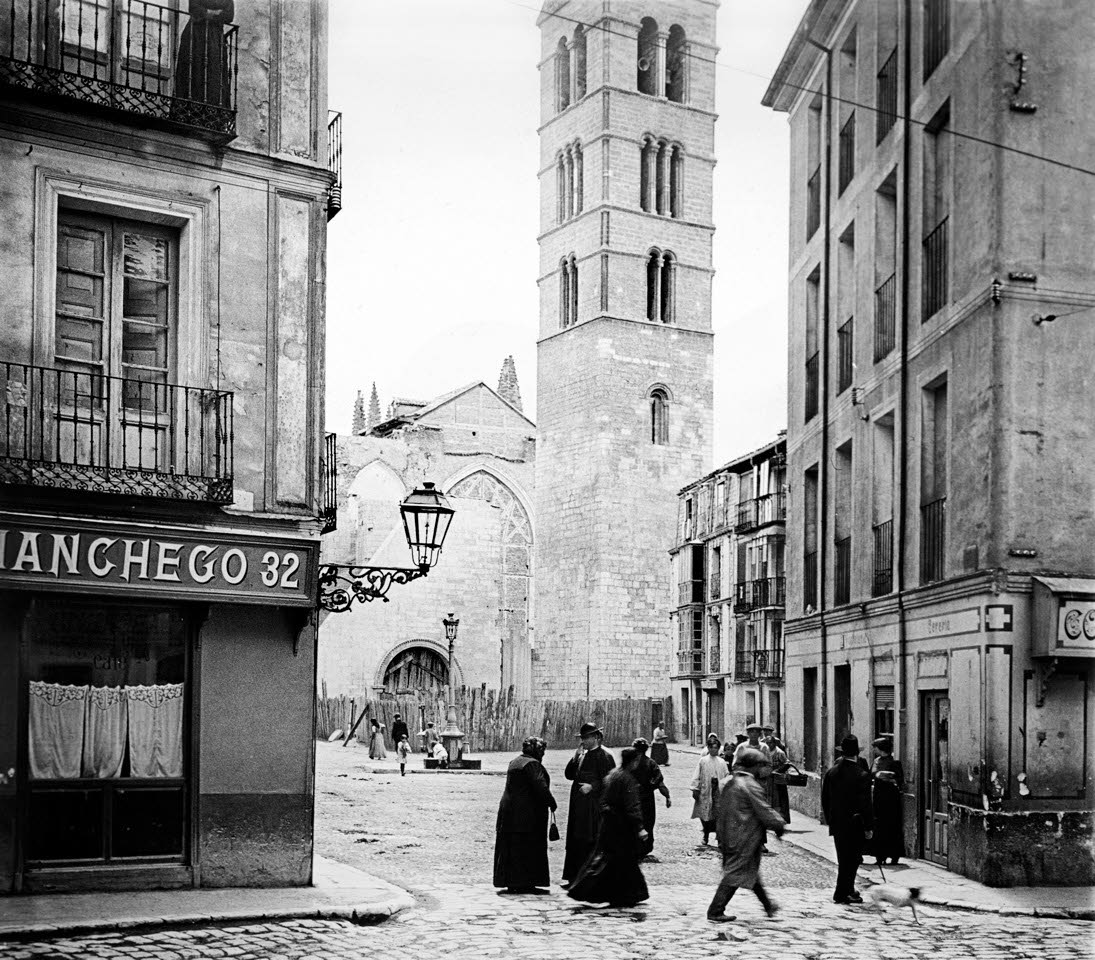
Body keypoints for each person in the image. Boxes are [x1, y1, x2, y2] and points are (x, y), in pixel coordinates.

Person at [706, 748, 786, 922]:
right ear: (754, 766)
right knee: (735, 873)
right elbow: (763, 809)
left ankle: (768, 905)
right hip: (744, 837)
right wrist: (778, 824)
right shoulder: (749, 785)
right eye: (761, 765)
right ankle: (715, 910)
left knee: (750, 873)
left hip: (731, 835)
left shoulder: (731, 782)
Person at [567, 747, 650, 908]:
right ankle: (622, 894)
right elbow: (632, 806)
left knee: (608, 861)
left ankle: (621, 894)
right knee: (622, 862)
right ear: (633, 762)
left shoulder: (613, 775)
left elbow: (603, 800)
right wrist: (639, 827)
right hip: (623, 827)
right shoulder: (627, 780)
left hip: (609, 825)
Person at [494, 736, 557, 894]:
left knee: (512, 847)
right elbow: (540, 787)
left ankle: (512, 881)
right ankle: (526, 881)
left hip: (509, 811)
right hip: (526, 814)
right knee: (526, 847)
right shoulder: (532, 764)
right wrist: (552, 802)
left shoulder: (515, 762)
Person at [821, 735, 874, 904]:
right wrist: (868, 827)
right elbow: (866, 804)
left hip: (838, 823)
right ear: (856, 754)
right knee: (853, 859)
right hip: (856, 823)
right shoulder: (862, 775)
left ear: (842, 753)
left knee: (844, 858)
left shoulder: (831, 772)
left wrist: (831, 820)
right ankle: (842, 892)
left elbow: (825, 799)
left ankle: (847, 890)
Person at [562, 722, 616, 885]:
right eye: (582, 738)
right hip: (578, 805)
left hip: (593, 806)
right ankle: (573, 876)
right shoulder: (581, 755)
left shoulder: (605, 756)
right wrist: (575, 757)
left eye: (586, 738)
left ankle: (589, 878)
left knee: (590, 838)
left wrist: (592, 787)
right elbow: (569, 775)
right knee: (575, 838)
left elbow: (610, 781)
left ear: (596, 738)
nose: (583, 741)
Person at [630, 738, 671, 858]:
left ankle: (634, 847)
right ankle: (644, 848)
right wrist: (667, 797)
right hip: (647, 799)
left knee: (633, 822)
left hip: (632, 799)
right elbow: (660, 783)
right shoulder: (651, 763)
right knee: (648, 823)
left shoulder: (630, 764)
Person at [870, 736, 905, 865]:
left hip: (890, 798)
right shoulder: (875, 761)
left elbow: (900, 780)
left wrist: (889, 777)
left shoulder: (894, 762)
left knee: (892, 826)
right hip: (878, 797)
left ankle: (894, 854)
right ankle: (880, 855)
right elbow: (870, 776)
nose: (874, 750)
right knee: (879, 826)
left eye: (875, 748)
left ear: (881, 749)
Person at [690, 734, 730, 847]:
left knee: (718, 815)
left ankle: (719, 839)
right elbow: (697, 775)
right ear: (708, 748)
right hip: (706, 790)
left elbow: (727, 775)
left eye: (716, 747)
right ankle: (705, 835)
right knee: (705, 814)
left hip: (718, 791)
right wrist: (695, 788)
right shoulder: (703, 761)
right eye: (712, 747)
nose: (714, 750)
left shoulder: (721, 762)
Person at [767, 736, 792, 824]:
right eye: (768, 743)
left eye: (771, 743)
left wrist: (777, 770)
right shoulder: (766, 752)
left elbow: (787, 763)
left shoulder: (779, 752)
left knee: (779, 799)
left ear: (774, 743)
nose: (769, 745)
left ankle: (781, 819)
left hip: (778, 780)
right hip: (769, 779)